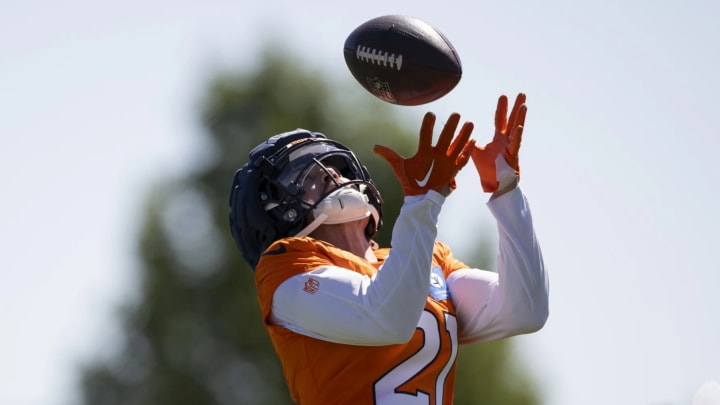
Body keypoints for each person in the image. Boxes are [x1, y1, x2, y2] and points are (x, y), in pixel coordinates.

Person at [228, 93, 549, 404]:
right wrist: (424, 202)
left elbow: (524, 310)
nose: (333, 175)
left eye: (334, 166)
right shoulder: (285, 268)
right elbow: (389, 316)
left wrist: (506, 190)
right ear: (270, 211)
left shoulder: (424, 259)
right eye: (303, 175)